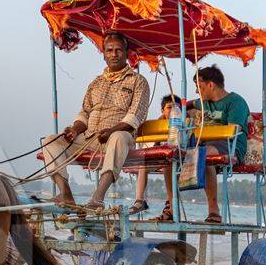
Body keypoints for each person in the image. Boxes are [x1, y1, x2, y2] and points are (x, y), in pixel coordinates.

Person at [42, 33, 150, 210]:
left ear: (126, 53)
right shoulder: (96, 83)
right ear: (104, 54)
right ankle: (66, 194)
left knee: (118, 137)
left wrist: (111, 131)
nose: (114, 54)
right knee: (50, 141)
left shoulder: (138, 81)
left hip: (120, 138)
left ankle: (97, 198)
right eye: (109, 50)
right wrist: (75, 130)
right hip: (89, 138)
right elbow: (84, 112)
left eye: (118, 50)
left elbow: (135, 117)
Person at [157, 64, 250, 224]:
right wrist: (171, 114)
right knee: (170, 158)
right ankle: (172, 208)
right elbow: (186, 104)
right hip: (203, 144)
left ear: (211, 85)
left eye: (199, 86)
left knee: (203, 156)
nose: (196, 91)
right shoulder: (203, 102)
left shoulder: (235, 102)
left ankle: (214, 211)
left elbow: (233, 131)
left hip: (229, 145)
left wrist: (201, 134)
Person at [128, 94, 181, 215]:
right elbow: (153, 145)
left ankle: (171, 203)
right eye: (169, 107)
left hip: (176, 158)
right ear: (163, 110)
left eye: (176, 107)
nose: (172, 110)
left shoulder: (180, 122)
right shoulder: (158, 123)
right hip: (162, 156)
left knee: (170, 164)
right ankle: (139, 200)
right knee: (143, 164)